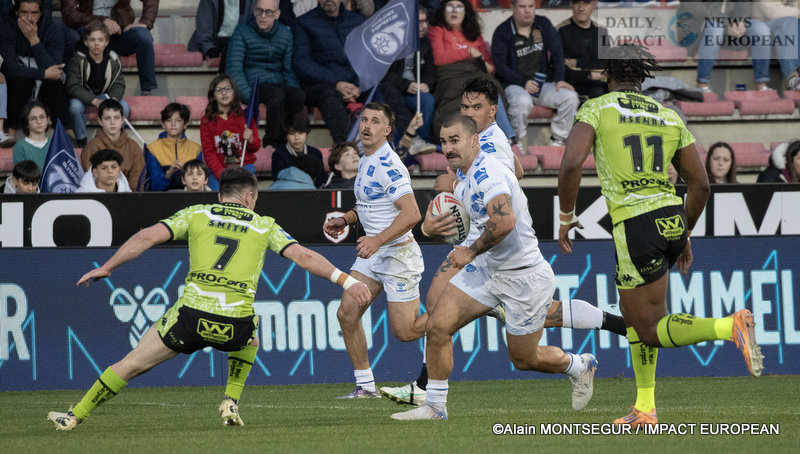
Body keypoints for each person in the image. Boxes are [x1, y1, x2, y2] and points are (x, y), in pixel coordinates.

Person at [47, 167, 371, 430]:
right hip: (235, 324)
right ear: (250, 197)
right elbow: (304, 257)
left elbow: (146, 236)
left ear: (219, 195)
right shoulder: (264, 225)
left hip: (189, 318)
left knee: (131, 364)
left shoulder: (197, 213)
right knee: (251, 335)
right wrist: (346, 281)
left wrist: (108, 266)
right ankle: (230, 399)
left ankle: (75, 415)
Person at [380, 78, 625, 407]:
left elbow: (503, 190)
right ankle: (429, 394)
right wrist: (456, 191)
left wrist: (455, 188)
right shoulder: (475, 145)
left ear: (492, 111)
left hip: (499, 254)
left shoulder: (489, 149)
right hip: (485, 258)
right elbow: (518, 171)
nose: (469, 112)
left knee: (523, 346)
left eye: (476, 107)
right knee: (439, 318)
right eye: (464, 107)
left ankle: (585, 356)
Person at [557, 44, 763, 427]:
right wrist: (684, 233)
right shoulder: (668, 115)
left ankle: (728, 326)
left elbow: (571, 164)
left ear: (607, 74)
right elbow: (700, 185)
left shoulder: (596, 108)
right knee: (635, 317)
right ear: (642, 76)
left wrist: (566, 217)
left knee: (650, 329)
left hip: (635, 224)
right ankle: (645, 408)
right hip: (672, 218)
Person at [322, 102, 426, 399]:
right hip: (373, 255)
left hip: (397, 254)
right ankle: (366, 386)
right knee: (347, 313)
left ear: (387, 130)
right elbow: (369, 203)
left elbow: (412, 214)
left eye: (375, 121)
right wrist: (346, 219)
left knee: (405, 332)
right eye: (364, 120)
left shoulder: (388, 164)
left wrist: (377, 240)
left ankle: (463, 311)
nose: (367, 126)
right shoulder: (367, 158)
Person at [491, 0, 579, 148]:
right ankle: (517, 142)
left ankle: (558, 140)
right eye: (522, 7)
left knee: (570, 98)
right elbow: (500, 66)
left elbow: (557, 52)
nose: (527, 11)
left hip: (542, 84)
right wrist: (522, 83)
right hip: (514, 84)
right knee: (522, 101)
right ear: (513, 8)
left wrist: (559, 79)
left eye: (531, 6)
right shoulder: (503, 31)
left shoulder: (543, 23)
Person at [428, 0, 515, 140]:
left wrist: (480, 61)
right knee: (478, 93)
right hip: (451, 79)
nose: (454, 10)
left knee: (489, 91)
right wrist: (469, 52)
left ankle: (503, 137)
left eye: (459, 7)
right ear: (443, 10)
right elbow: (439, 58)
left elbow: (490, 67)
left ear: (466, 12)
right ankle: (506, 137)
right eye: (450, 6)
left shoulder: (474, 34)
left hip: (476, 74)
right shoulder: (437, 30)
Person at [226, 0, 305, 148]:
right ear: (254, 11)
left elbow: (288, 70)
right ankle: (271, 143)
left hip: (277, 82)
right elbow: (234, 69)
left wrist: (294, 89)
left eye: (268, 12)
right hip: (255, 83)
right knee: (277, 96)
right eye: (259, 11)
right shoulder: (242, 32)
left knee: (298, 96)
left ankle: (290, 139)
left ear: (277, 14)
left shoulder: (285, 33)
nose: (263, 16)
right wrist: (249, 95)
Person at [292, 0, 366, 143]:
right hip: (321, 84)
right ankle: (346, 149)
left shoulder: (358, 21)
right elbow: (302, 63)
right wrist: (336, 83)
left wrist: (358, 85)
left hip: (355, 84)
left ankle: (397, 147)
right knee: (329, 98)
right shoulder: (304, 23)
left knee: (385, 91)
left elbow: (366, 57)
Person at [0, 0, 70, 134]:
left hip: (44, 86)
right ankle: (10, 133)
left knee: (55, 85)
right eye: (24, 12)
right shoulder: (6, 27)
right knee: (20, 82)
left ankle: (65, 134)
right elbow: (7, 67)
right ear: (16, 12)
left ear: (41, 13)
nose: (29, 18)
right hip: (19, 84)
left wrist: (33, 40)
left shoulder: (53, 30)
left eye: (34, 13)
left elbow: (55, 70)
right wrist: (42, 73)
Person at [61, 0, 159, 95]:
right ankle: (73, 89)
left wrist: (145, 21)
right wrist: (102, 20)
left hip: (118, 33)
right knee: (73, 38)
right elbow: (69, 14)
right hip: (88, 34)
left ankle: (147, 91)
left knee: (143, 36)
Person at [676, 1, 770, 92]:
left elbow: (744, 4)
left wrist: (740, 22)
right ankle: (702, 84)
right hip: (696, 28)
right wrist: (727, 23)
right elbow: (697, 8)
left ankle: (761, 85)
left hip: (727, 28)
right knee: (716, 27)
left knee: (761, 29)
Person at [65, 19, 129, 148]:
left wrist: (113, 99)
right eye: (92, 40)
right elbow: (72, 86)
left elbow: (118, 84)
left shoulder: (113, 59)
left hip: (104, 95)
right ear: (86, 42)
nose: (96, 44)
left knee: (124, 107)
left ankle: (113, 138)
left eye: (100, 40)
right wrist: (94, 101)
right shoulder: (77, 60)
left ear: (106, 42)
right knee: (74, 107)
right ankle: (81, 140)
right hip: (82, 97)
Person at [380, 3, 436, 145]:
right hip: (394, 90)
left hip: (415, 92)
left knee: (427, 100)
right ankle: (407, 143)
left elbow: (430, 72)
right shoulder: (391, 41)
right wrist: (406, 85)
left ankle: (424, 143)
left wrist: (426, 84)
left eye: (426, 21)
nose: (424, 26)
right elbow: (384, 74)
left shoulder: (425, 43)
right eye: (420, 22)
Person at [200, 75, 260, 191]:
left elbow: (256, 147)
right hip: (219, 170)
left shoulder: (246, 117)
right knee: (219, 199)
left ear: (234, 92)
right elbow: (208, 153)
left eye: (228, 88)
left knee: (246, 197)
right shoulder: (207, 121)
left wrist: (251, 139)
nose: (224, 93)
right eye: (219, 90)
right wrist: (222, 175)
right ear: (213, 95)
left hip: (244, 167)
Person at [81, 98, 145, 190]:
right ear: (100, 121)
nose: (112, 122)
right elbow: (92, 179)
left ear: (123, 120)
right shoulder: (92, 147)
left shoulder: (133, 146)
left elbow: (138, 178)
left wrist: (133, 196)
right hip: (100, 195)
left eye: (116, 118)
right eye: (107, 118)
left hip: (129, 195)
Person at [557, 0, 608, 100]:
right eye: (576, 2)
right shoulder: (561, 31)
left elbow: (605, 64)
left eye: (586, 2)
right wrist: (589, 74)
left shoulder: (601, 31)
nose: (581, 8)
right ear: (571, 4)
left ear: (594, 4)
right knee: (599, 93)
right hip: (573, 85)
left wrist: (577, 62)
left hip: (600, 82)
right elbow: (563, 69)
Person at [145, 103, 203, 191]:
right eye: (169, 120)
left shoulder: (196, 149)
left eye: (178, 120)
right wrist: (169, 173)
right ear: (163, 124)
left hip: (189, 195)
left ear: (185, 124)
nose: (173, 124)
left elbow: (200, 182)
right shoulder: (153, 149)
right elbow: (156, 187)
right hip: (162, 197)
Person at [188, 0, 256, 73]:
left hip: (240, 40)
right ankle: (222, 78)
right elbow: (204, 27)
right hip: (216, 40)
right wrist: (209, 47)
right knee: (231, 46)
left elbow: (253, 25)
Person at [271, 113, 325, 186]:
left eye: (301, 133)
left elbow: (321, 178)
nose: (296, 138)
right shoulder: (279, 155)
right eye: (292, 133)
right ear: (286, 135)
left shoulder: (315, 153)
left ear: (307, 133)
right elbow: (279, 179)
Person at [12, 100, 52, 170]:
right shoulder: (20, 147)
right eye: (33, 119)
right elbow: (22, 174)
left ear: (48, 120)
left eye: (42, 117)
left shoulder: (54, 144)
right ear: (26, 123)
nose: (39, 122)